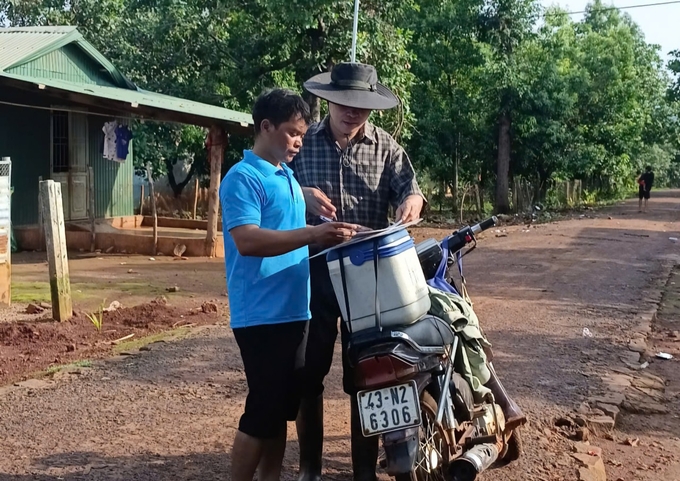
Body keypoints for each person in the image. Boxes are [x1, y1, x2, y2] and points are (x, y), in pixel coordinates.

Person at [291, 62, 526, 481]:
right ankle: (310, 469)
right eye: (345, 104)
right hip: (315, 273)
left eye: (362, 107)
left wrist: (412, 203)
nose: (352, 113)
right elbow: (275, 189)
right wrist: (300, 195)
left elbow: (410, 191)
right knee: (309, 372)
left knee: (369, 374)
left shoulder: (387, 149)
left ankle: (363, 471)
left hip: (373, 278)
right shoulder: (301, 144)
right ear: (328, 100)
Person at [220, 88, 359, 481]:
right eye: (292, 133)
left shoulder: (286, 175)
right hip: (261, 314)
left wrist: (306, 197)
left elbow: (286, 209)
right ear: (265, 127)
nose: (299, 141)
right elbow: (247, 240)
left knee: (282, 406)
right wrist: (313, 235)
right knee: (262, 409)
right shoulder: (242, 177)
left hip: (295, 310)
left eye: (302, 133)